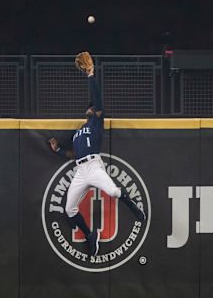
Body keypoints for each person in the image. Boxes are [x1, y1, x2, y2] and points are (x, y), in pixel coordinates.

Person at [48, 52, 146, 257]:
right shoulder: (77, 133)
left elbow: (98, 101)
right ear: (87, 111)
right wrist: (58, 150)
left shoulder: (96, 123)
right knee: (69, 209)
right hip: (81, 169)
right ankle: (90, 235)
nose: (92, 108)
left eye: (93, 107)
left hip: (94, 166)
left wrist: (91, 75)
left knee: (114, 192)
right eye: (91, 108)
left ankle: (135, 209)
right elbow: (74, 154)